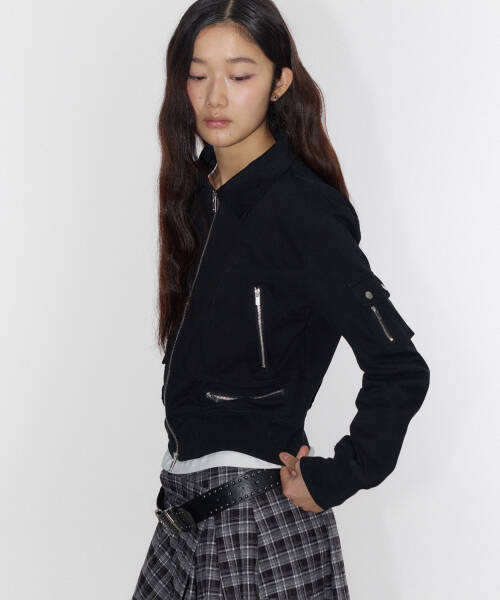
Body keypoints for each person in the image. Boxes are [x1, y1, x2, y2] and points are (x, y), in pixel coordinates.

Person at [132, 0, 430, 598]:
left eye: (240, 75)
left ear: (279, 82)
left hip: (255, 530)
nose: (215, 96)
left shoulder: (304, 212)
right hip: (184, 520)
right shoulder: (199, 197)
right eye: (198, 74)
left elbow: (400, 367)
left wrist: (343, 473)